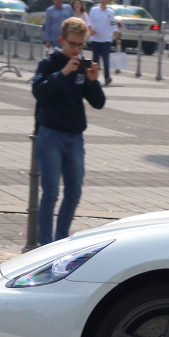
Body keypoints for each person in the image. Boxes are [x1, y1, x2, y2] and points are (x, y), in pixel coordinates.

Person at [31, 17, 105, 245]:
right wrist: (63, 73)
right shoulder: (48, 63)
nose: (77, 50)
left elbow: (99, 103)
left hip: (74, 137)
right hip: (50, 134)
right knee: (51, 192)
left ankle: (61, 240)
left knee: (74, 193)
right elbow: (39, 92)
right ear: (61, 40)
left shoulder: (82, 68)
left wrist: (93, 81)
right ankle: (45, 245)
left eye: (81, 45)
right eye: (72, 44)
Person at [88, 0, 120, 83]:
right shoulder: (94, 10)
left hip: (106, 39)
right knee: (95, 60)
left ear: (107, 0)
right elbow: (89, 22)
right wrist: (91, 29)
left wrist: (117, 38)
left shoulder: (110, 12)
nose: (103, 0)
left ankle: (107, 77)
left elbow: (114, 25)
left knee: (106, 59)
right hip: (95, 39)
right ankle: (94, 77)